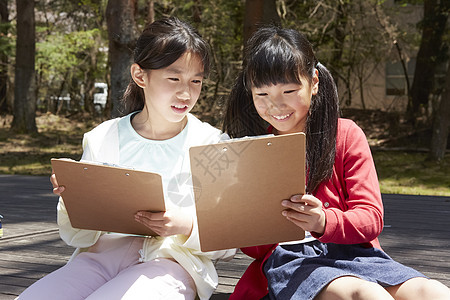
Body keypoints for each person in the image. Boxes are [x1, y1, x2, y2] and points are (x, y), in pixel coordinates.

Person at [222, 26, 450, 300]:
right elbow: (255, 250)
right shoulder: (254, 149)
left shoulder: (345, 134)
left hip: (357, 253)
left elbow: (371, 218)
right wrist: (243, 219)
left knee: (432, 291)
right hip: (292, 261)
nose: (276, 105)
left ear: (314, 82)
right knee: (365, 294)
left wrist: (323, 221)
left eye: (289, 90)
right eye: (262, 95)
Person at [19, 17, 235, 300]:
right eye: (174, 78)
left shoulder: (212, 143)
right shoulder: (103, 137)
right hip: (99, 258)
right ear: (140, 75)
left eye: (196, 81)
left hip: (172, 264)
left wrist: (187, 225)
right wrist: (73, 198)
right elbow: (76, 236)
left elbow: (229, 242)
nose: (186, 92)